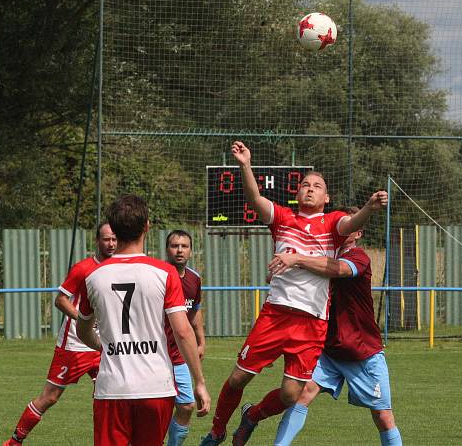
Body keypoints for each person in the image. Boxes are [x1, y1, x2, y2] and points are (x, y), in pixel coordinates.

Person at [199, 141, 387, 446]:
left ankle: (252, 416)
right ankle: (216, 432)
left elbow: (353, 222)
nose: (310, 188)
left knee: (291, 394)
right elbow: (254, 198)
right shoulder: (284, 219)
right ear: (297, 193)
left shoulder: (332, 224)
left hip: (312, 323)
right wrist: (245, 165)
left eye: (317, 186)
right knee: (238, 378)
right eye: (304, 184)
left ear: (326, 197)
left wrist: (368, 208)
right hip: (275, 314)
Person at [76, 194, 211, 446]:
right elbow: (183, 332)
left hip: (112, 388)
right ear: (147, 226)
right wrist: (200, 382)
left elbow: (82, 329)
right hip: (155, 387)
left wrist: (103, 345)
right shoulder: (165, 273)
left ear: (113, 230)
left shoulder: (93, 276)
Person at [269, 206, 402, 446]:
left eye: (349, 224)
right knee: (302, 395)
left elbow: (339, 269)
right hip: (328, 350)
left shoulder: (358, 258)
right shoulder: (318, 254)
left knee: (383, 417)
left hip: (362, 352)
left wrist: (297, 259)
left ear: (357, 233)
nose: (342, 228)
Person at [3, 223, 117, 446]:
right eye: (106, 239)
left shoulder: (120, 269)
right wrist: (84, 321)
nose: (111, 244)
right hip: (74, 345)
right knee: (50, 396)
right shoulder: (83, 268)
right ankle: (15, 441)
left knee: (108, 396)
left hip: (104, 346)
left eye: (114, 239)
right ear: (97, 241)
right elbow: (60, 300)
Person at [164, 229, 206, 446]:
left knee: (187, 406)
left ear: (190, 250)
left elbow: (195, 310)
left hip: (180, 355)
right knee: (157, 409)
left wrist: (201, 341)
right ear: (167, 249)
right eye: (174, 246)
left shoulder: (194, 279)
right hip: (157, 354)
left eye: (184, 246)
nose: (179, 250)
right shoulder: (158, 275)